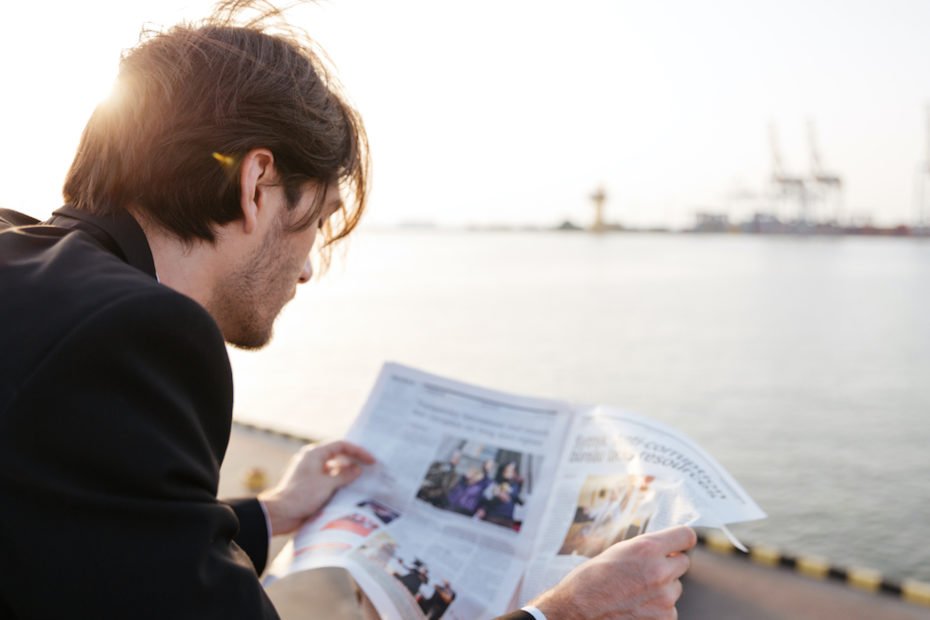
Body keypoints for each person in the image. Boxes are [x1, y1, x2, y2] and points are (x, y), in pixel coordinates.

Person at [0, 2, 695, 619]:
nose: (306, 267)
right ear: (258, 184)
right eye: (317, 220)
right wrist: (567, 613)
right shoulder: (136, 336)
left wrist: (276, 512)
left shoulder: (27, 269)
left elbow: (90, 529)